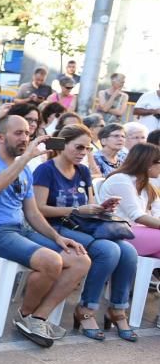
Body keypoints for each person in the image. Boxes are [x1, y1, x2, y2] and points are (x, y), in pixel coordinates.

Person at [0, 115, 91, 347]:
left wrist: (58, 237)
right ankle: (25, 316)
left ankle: (37, 317)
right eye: (19, 133)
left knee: (80, 259)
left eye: (27, 133)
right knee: (51, 261)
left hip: (19, 229)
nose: (25, 138)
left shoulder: (25, 171)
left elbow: (33, 214)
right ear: (0, 137)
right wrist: (24, 159)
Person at [32, 123, 138, 341]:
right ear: (63, 145)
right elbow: (38, 208)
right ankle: (86, 308)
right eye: (79, 147)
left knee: (128, 252)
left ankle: (118, 309)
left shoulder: (83, 171)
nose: (83, 153)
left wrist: (102, 207)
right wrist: (75, 210)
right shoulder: (46, 170)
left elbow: (89, 205)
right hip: (53, 227)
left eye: (88, 149)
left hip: (81, 225)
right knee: (108, 250)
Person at [98, 143, 160, 259]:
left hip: (139, 231)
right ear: (149, 163)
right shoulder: (121, 180)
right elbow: (137, 216)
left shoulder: (146, 184)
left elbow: (157, 211)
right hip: (121, 232)